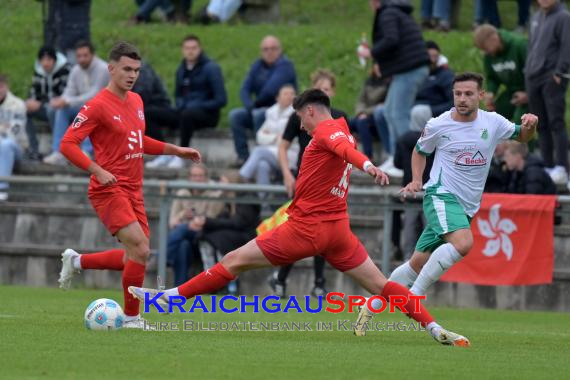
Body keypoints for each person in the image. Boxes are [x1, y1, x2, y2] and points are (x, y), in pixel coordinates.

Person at [130, 88, 471, 347]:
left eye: (301, 120)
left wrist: (368, 166)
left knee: (233, 260)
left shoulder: (325, 131)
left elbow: (345, 151)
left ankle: (169, 297)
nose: (302, 128)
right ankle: (433, 327)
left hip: (307, 228)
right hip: (338, 232)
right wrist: (362, 162)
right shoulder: (340, 126)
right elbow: (343, 146)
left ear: (310, 111)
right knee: (382, 285)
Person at [354, 72, 538, 335]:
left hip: (466, 207)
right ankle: (414, 296)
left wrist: (530, 125)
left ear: (480, 96)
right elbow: (420, 151)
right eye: (458, 94)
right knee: (463, 243)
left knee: (417, 263)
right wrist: (417, 180)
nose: (462, 99)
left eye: (468, 94)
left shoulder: (492, 122)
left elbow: (522, 137)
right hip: (440, 195)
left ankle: (370, 306)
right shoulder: (439, 124)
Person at [56, 41, 202, 329]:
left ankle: (77, 262)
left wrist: (176, 150)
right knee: (140, 249)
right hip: (107, 188)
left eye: (136, 69)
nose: (132, 74)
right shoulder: (96, 105)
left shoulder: (136, 101)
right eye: (126, 69)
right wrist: (96, 170)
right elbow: (67, 144)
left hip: (133, 189)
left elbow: (137, 140)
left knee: (136, 255)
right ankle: (132, 318)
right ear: (111, 69)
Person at [272, 69, 348, 298]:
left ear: (332, 92)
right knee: (299, 232)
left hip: (328, 183)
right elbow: (283, 146)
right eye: (319, 88)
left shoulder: (340, 118)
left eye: (327, 89)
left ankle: (318, 282)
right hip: (305, 181)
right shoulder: (300, 117)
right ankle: (281, 278)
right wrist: (287, 174)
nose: (323, 92)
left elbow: (347, 150)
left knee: (322, 235)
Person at [364, 0, 430, 177]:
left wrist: (371, 53)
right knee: (388, 111)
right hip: (406, 69)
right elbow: (398, 45)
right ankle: (395, 158)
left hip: (411, 70)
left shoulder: (387, 14)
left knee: (398, 113)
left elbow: (391, 40)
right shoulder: (395, 11)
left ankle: (408, 160)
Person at [147, 34, 227, 169]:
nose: (190, 51)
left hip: (207, 115)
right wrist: (180, 104)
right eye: (187, 48)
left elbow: (221, 100)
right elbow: (178, 95)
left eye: (194, 48)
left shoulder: (211, 68)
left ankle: (181, 156)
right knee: (148, 113)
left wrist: (196, 105)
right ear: (182, 50)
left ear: (200, 49)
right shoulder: (181, 69)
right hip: (184, 111)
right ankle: (164, 154)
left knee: (187, 115)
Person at [230, 35, 297, 165]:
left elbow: (270, 91)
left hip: (281, 111)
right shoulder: (257, 66)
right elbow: (244, 89)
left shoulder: (285, 66)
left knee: (258, 114)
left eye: (273, 48)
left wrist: (254, 106)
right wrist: (249, 105)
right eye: (265, 49)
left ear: (280, 50)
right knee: (236, 115)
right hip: (258, 108)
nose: (269, 52)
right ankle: (243, 156)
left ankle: (260, 155)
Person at [525, 0, 570, 187]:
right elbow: (532, 47)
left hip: (552, 76)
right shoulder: (536, 17)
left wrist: (560, 72)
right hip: (532, 76)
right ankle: (548, 165)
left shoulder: (564, 17)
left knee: (556, 122)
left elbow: (567, 46)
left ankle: (562, 166)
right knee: (540, 124)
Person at [43, 40, 109, 165]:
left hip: (105, 110)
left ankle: (86, 151)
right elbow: (70, 90)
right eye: (79, 56)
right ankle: (59, 151)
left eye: (85, 55)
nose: (82, 59)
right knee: (60, 110)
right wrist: (62, 100)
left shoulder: (103, 69)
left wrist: (67, 101)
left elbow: (94, 95)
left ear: (93, 55)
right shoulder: (76, 70)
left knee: (91, 109)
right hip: (83, 107)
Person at [167, 164, 227, 286]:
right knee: (183, 246)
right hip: (182, 237)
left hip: (203, 235)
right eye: (194, 176)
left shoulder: (213, 193)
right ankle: (180, 289)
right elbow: (172, 222)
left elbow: (211, 218)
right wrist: (183, 214)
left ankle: (164, 257)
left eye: (200, 176)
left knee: (183, 229)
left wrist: (193, 223)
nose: (197, 179)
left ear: (206, 178)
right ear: (189, 178)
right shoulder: (181, 193)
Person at [239, 84, 296, 201]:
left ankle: (243, 177)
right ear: (278, 98)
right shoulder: (271, 112)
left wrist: (269, 136)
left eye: (292, 94)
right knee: (262, 165)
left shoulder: (296, 114)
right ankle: (264, 201)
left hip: (289, 154)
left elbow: (287, 139)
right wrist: (275, 138)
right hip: (272, 151)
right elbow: (259, 137)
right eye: (286, 94)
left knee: (259, 151)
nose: (289, 96)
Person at [473, 25, 528, 125]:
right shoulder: (489, 56)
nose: (485, 52)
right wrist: (491, 92)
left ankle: (532, 140)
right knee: (492, 116)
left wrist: (528, 93)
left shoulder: (520, 45)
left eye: (485, 48)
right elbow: (492, 78)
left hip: (531, 91)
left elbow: (537, 73)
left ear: (494, 38)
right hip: (512, 91)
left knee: (520, 121)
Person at [26, 46, 71, 160]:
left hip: (62, 108)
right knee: (25, 110)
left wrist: (41, 103)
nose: (45, 63)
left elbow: (63, 94)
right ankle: (33, 149)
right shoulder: (38, 72)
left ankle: (58, 147)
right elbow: (34, 92)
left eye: (49, 60)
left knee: (53, 110)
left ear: (54, 60)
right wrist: (31, 101)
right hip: (44, 107)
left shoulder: (65, 70)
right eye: (43, 60)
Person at [350, 64, 391, 160]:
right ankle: (348, 156)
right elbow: (361, 100)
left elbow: (384, 106)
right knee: (346, 123)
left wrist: (365, 113)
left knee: (362, 123)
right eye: (377, 65)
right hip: (363, 115)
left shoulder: (389, 84)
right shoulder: (369, 82)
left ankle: (368, 157)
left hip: (376, 118)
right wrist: (360, 113)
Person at [132, 60, 178, 142]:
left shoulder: (142, 70)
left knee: (144, 115)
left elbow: (143, 95)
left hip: (161, 106)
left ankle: (162, 150)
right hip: (149, 106)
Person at [0, 75, 28, 201]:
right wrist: (3, 127)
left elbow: (13, 133)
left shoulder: (18, 104)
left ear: (6, 87)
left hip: (16, 149)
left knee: (5, 144)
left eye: (0, 87)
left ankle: (2, 189)